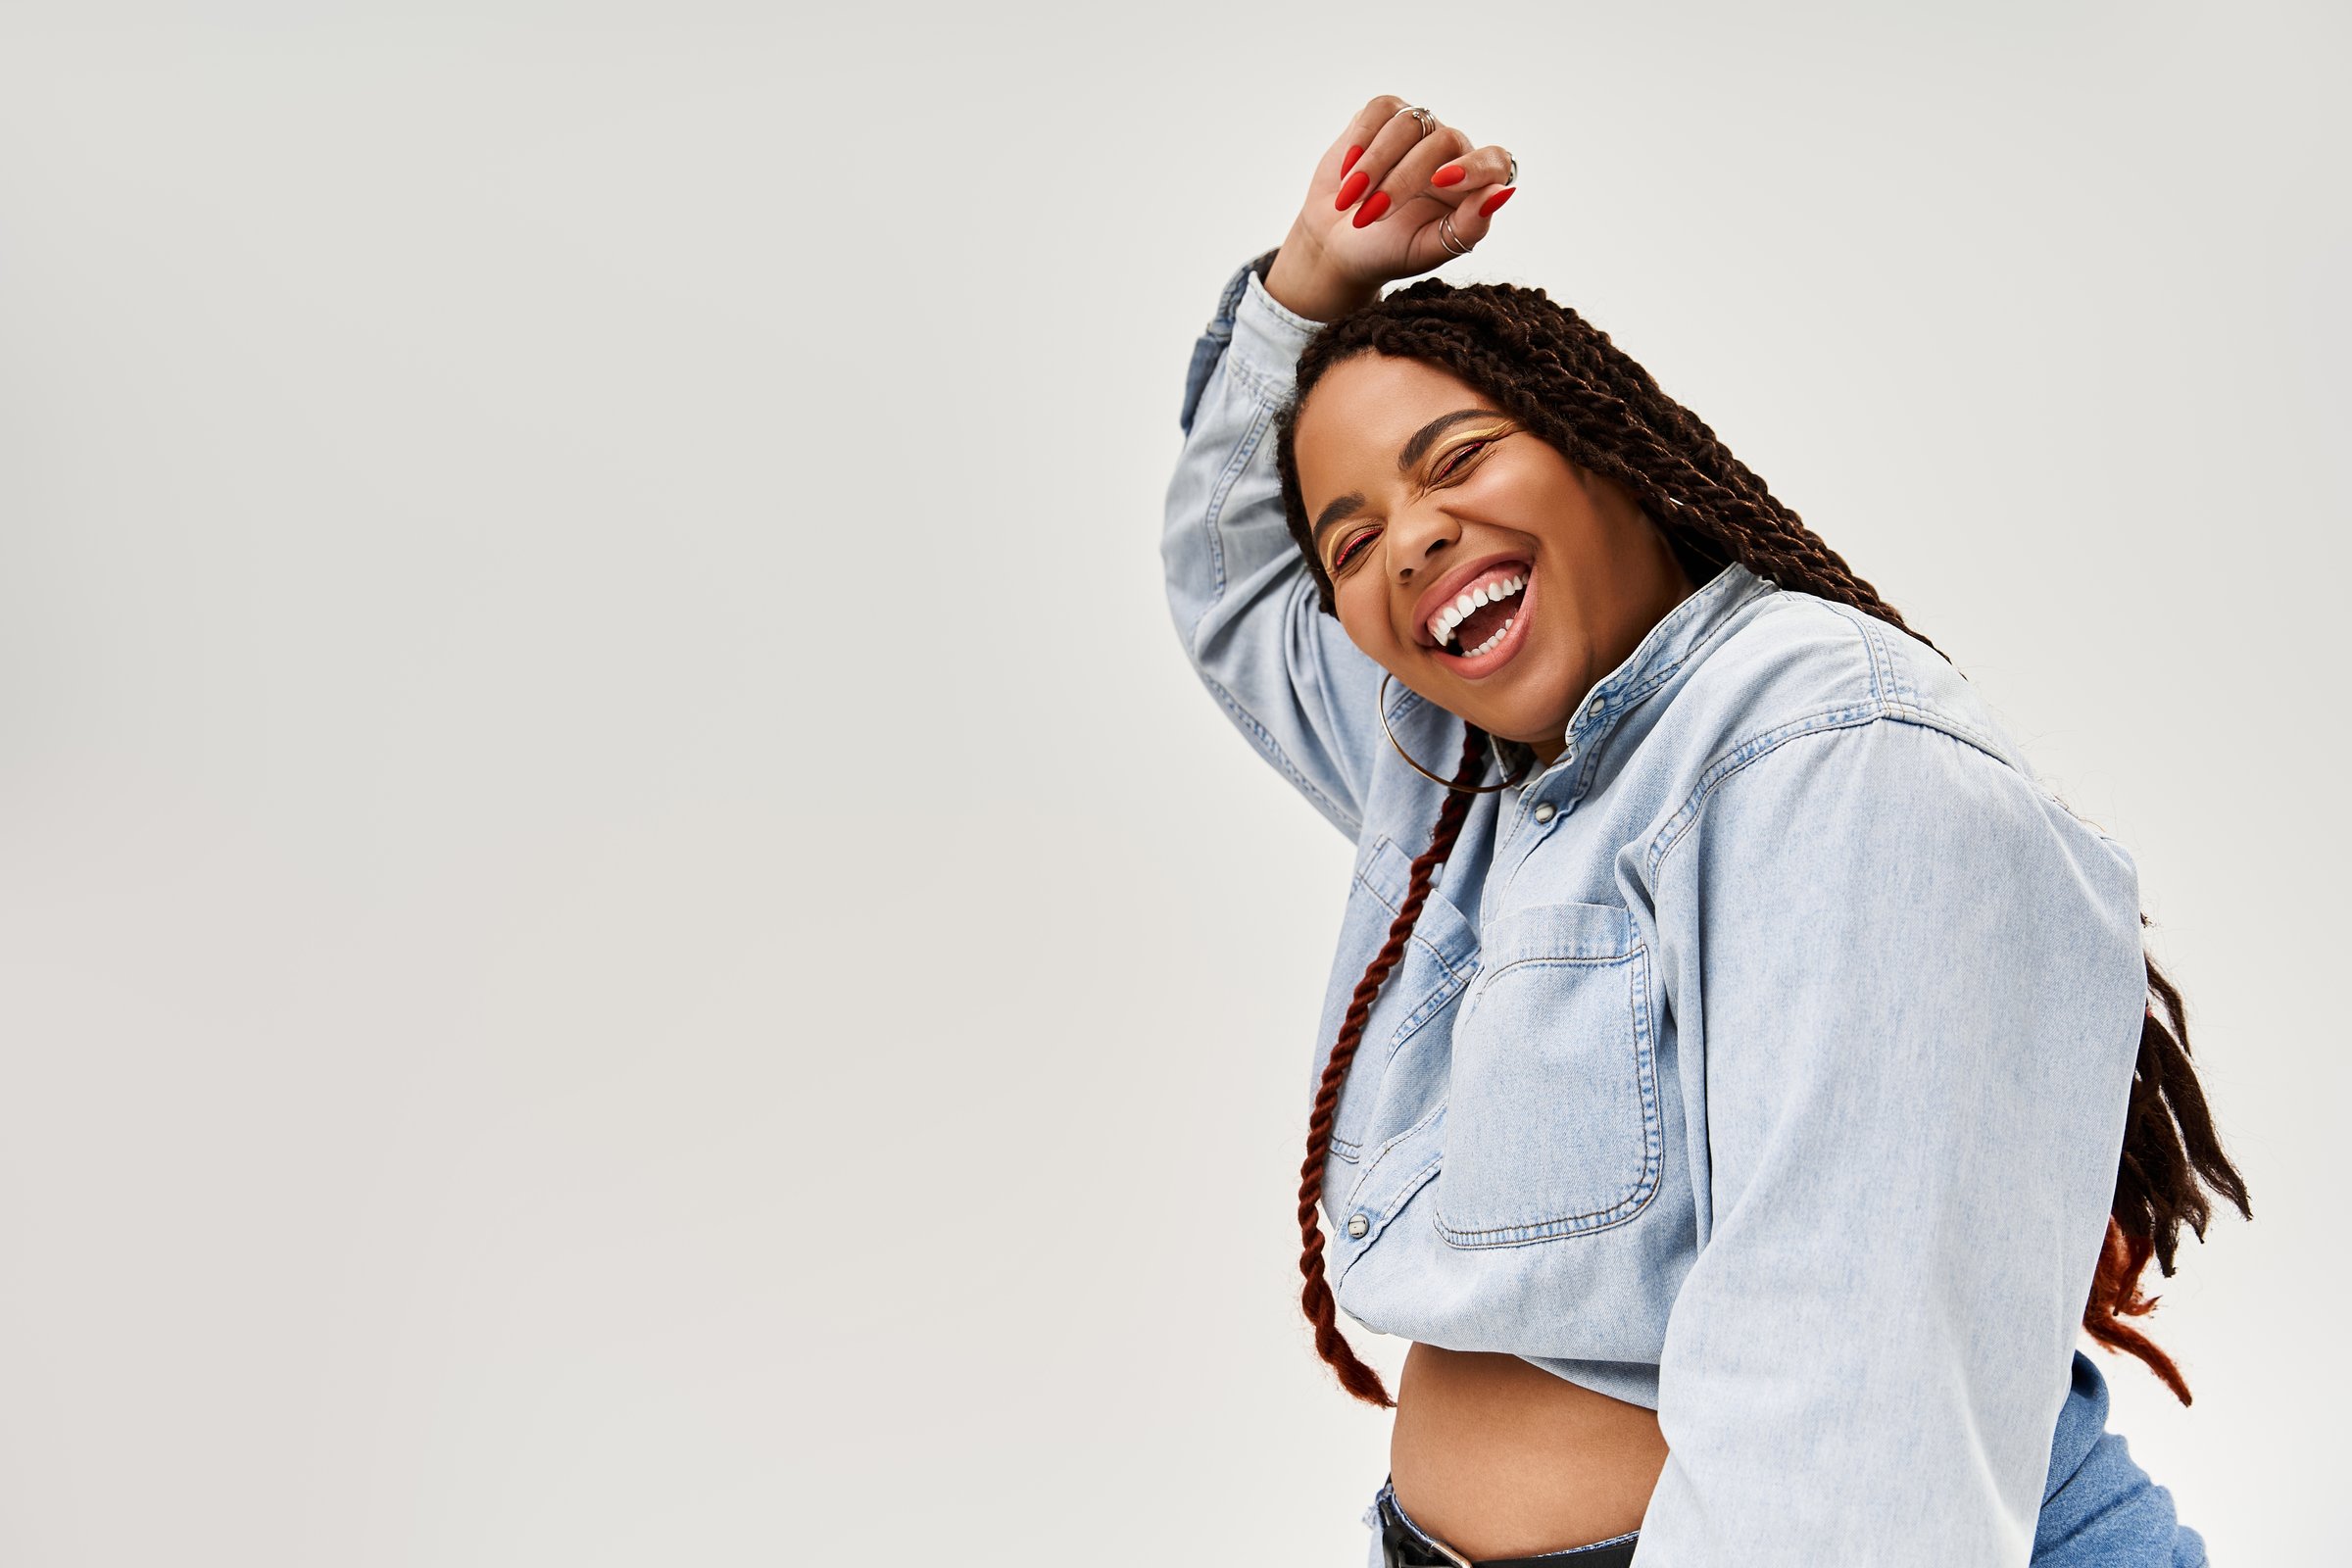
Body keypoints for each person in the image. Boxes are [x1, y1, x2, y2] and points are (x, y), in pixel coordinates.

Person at [1159, 96, 2251, 1567]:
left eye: (1457, 459)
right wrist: (1311, 279)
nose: (1406, 537)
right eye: (1352, 540)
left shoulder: (1830, 751)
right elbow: (1233, 586)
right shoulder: (1465, 767)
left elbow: (1845, 1425)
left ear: (1604, 447)